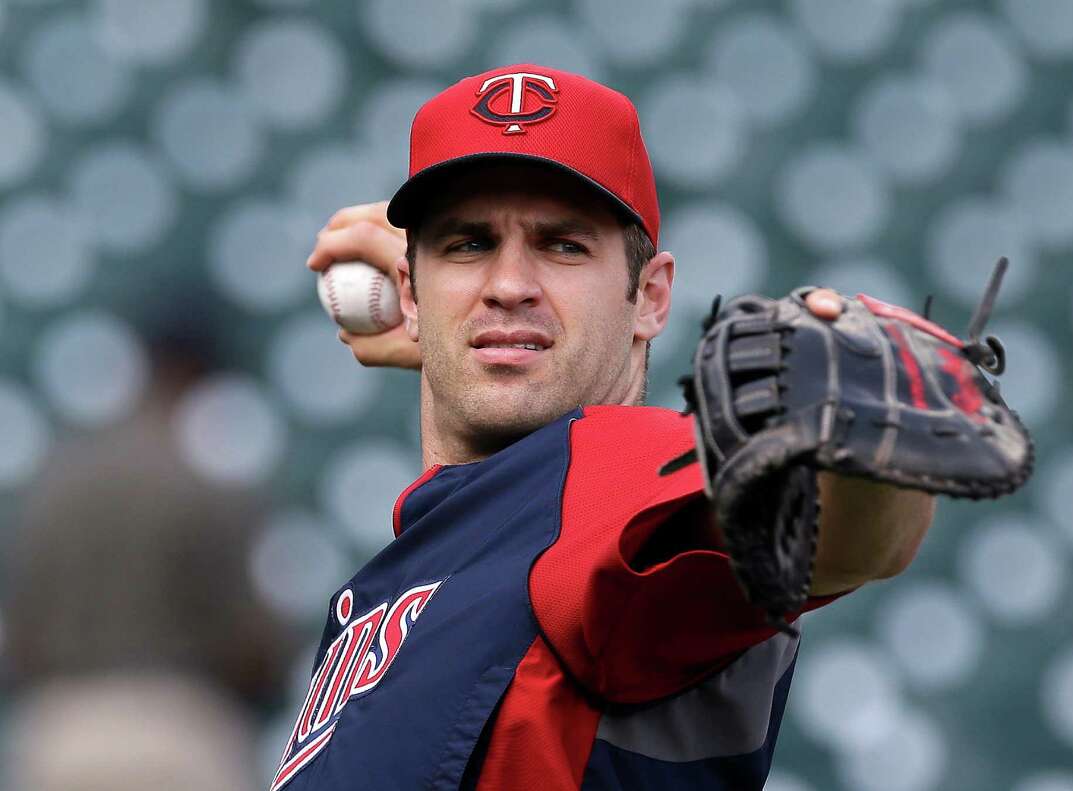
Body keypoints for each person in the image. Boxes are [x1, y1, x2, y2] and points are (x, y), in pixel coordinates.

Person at [282, 64, 935, 791]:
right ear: (409, 291)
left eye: (564, 245)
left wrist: (864, 412)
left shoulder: (611, 477)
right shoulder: (427, 554)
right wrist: (476, 342)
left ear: (651, 297)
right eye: (466, 244)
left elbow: (836, 523)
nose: (507, 284)